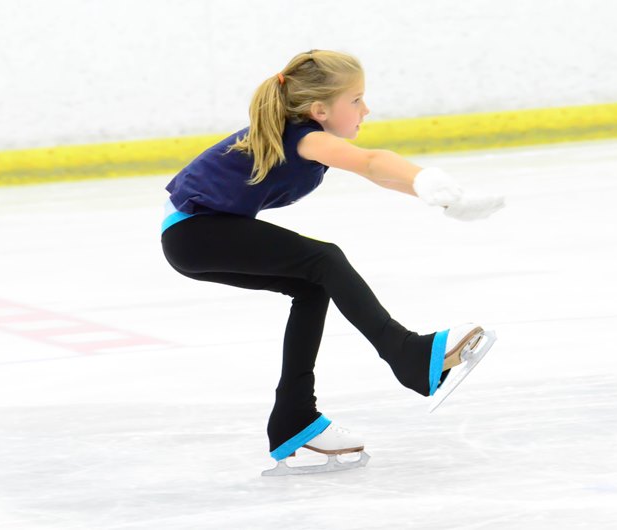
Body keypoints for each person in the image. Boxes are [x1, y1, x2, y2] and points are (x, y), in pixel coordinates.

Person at [160, 49, 504, 471]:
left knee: (312, 283)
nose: (366, 109)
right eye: (356, 100)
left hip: (192, 237)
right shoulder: (305, 136)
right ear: (320, 109)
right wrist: (425, 178)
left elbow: (374, 172)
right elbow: (373, 160)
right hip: (197, 232)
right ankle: (407, 353)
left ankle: (294, 420)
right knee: (324, 259)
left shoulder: (304, 136)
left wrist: (448, 200)